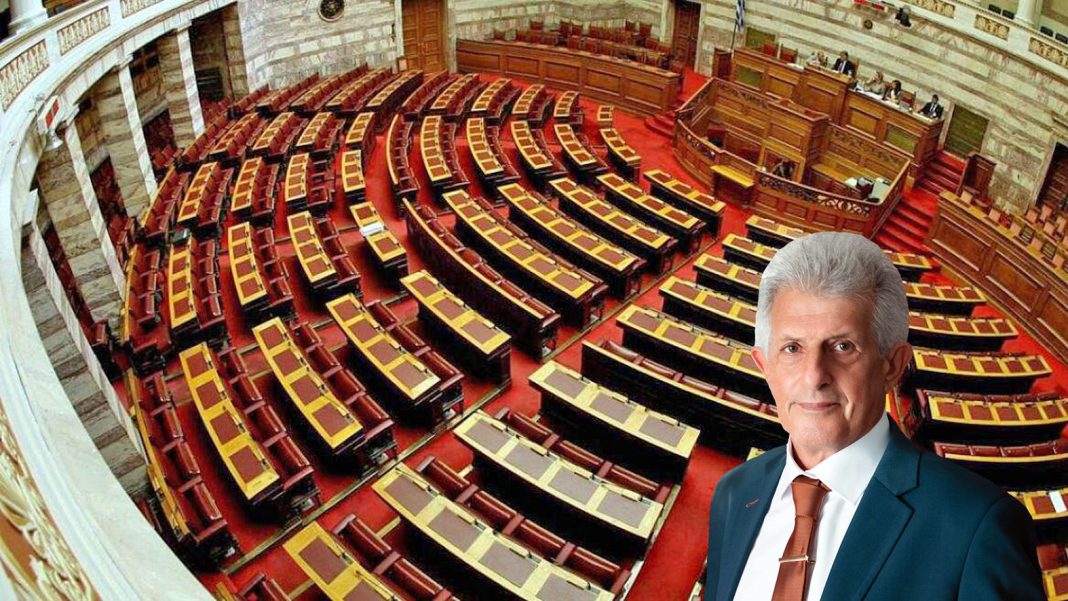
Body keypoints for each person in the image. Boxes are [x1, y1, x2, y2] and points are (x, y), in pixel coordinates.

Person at [704, 232, 1044, 601]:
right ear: (764, 365)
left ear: (893, 366)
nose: (814, 376)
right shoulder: (735, 492)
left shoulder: (977, 527)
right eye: (792, 348)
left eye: (842, 346)